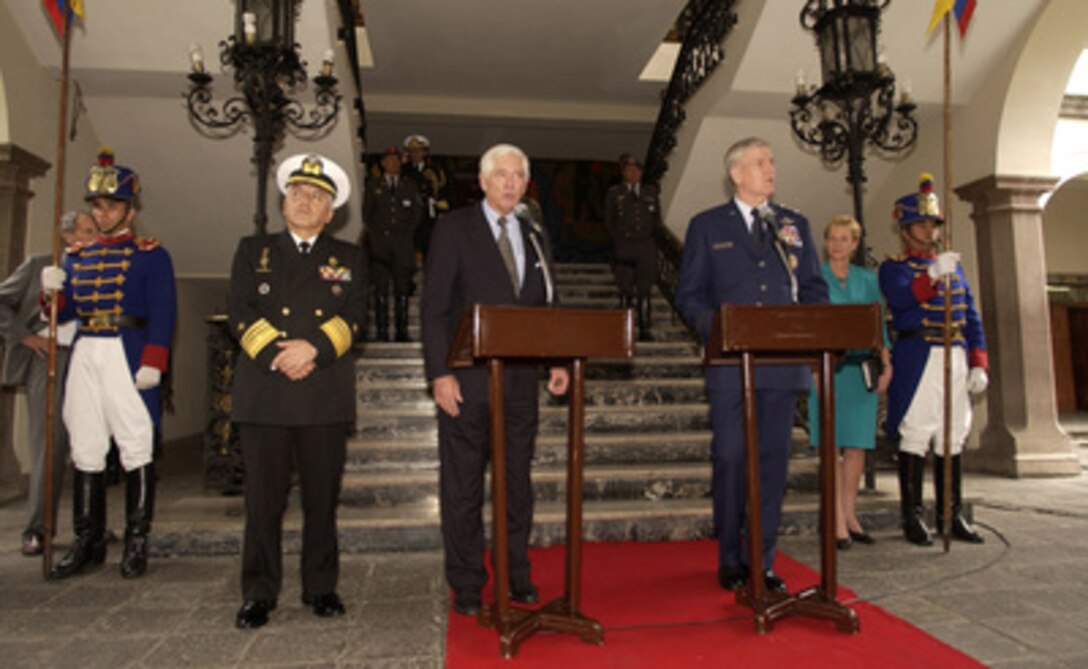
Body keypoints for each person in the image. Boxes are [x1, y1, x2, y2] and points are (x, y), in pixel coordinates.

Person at [675, 137, 828, 595]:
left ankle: (760, 560)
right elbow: (689, 295)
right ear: (736, 173)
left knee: (772, 464)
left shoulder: (793, 224)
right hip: (729, 366)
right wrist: (718, 330)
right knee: (731, 458)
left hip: (782, 368)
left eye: (772, 161)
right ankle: (729, 557)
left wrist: (807, 332)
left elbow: (815, 289)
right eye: (761, 162)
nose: (770, 168)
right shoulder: (706, 226)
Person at [421, 143, 569, 616]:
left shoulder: (534, 231)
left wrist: (558, 361)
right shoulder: (453, 228)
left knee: (516, 486)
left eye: (518, 176)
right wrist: (440, 373)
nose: (510, 183)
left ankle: (515, 573)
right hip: (467, 382)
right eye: (501, 175)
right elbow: (435, 309)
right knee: (463, 488)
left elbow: (546, 304)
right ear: (483, 182)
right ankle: (466, 581)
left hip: (521, 384)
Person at [229, 154, 366, 629]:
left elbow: (354, 318)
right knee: (262, 503)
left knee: (321, 502)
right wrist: (278, 354)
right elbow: (240, 311)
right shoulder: (253, 251)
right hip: (265, 393)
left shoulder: (348, 259)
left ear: (331, 213)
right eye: (298, 194)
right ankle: (258, 592)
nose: (306, 202)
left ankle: (321, 587)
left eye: (318, 197)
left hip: (323, 394)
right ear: (285, 203)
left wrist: (313, 350)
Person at [42, 149, 177, 580]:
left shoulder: (150, 255)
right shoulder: (76, 257)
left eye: (112, 205)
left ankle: (137, 540)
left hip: (127, 348)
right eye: (97, 206)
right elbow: (63, 317)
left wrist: (155, 359)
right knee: (85, 443)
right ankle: (89, 540)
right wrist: (53, 293)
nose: (103, 214)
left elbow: (163, 311)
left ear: (130, 211)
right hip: (87, 350)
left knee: (136, 443)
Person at [879, 173, 988, 546]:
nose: (929, 231)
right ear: (906, 229)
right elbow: (902, 300)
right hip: (920, 355)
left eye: (933, 224)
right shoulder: (893, 267)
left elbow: (970, 314)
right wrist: (930, 275)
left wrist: (978, 361)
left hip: (955, 355)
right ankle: (912, 516)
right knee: (917, 433)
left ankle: (951, 514)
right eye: (921, 224)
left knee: (952, 435)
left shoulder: (954, 267)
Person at [0, 210, 97, 556]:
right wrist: (25, 337)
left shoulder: (101, 269)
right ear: (67, 235)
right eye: (85, 231)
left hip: (91, 357)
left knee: (92, 443)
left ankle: (91, 528)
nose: (91, 237)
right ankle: (38, 529)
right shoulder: (40, 264)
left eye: (95, 231)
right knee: (50, 445)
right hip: (51, 358)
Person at [806, 215, 892, 550]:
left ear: (855, 244)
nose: (837, 244)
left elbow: (877, 323)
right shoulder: (814, 278)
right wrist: (812, 368)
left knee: (856, 447)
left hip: (860, 371)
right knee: (831, 446)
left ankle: (850, 514)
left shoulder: (867, 279)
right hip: (827, 369)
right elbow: (810, 326)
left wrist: (886, 363)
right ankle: (835, 520)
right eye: (832, 238)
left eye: (845, 239)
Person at [363, 146, 424, 341]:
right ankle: (382, 332)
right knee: (380, 290)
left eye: (396, 160)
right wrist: (378, 235)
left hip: (402, 246)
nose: (393, 164)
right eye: (389, 160)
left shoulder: (409, 185)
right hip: (380, 247)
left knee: (402, 290)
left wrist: (405, 233)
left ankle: (402, 331)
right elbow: (367, 214)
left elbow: (417, 213)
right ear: (383, 163)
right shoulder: (374, 184)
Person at [604, 155, 660, 341]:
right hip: (624, 246)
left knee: (645, 290)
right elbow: (609, 220)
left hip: (645, 247)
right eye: (628, 170)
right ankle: (624, 330)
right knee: (625, 289)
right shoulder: (615, 193)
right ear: (623, 173)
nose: (632, 174)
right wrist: (619, 239)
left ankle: (644, 328)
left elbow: (656, 220)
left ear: (641, 173)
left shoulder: (650, 192)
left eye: (636, 170)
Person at [402, 134, 450, 258]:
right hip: (407, 216)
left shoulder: (435, 170)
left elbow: (443, 191)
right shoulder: (403, 171)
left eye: (419, 151)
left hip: (428, 215)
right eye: (412, 151)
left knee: (429, 249)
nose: (416, 154)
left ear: (425, 153)